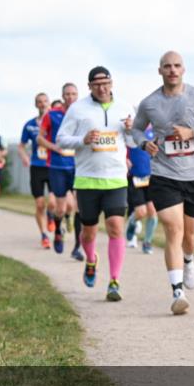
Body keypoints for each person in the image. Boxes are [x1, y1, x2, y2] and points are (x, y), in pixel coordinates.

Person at [133, 51, 194, 315]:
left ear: (183, 70)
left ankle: (189, 260)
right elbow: (137, 128)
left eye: (177, 66)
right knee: (173, 230)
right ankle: (177, 292)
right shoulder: (149, 103)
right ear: (159, 70)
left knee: (189, 234)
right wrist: (143, 142)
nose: (172, 70)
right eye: (167, 66)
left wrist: (193, 132)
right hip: (164, 174)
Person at [56, 66, 136, 301]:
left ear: (112, 83)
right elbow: (61, 139)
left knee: (115, 227)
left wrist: (131, 131)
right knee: (89, 233)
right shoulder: (77, 109)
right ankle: (91, 260)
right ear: (89, 86)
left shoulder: (125, 107)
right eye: (97, 84)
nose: (102, 88)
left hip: (116, 179)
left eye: (106, 83)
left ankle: (114, 281)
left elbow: (131, 142)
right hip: (88, 180)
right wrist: (82, 139)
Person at [39, 83, 84, 259]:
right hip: (57, 167)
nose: (71, 97)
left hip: (79, 166)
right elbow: (40, 139)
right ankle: (58, 229)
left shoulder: (83, 114)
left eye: (74, 94)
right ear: (62, 96)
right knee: (60, 207)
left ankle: (77, 247)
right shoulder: (52, 115)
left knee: (79, 206)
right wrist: (55, 147)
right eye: (67, 94)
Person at [19, 92, 57, 249]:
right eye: (39, 102)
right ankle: (44, 235)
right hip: (37, 167)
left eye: (45, 101)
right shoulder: (30, 125)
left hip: (53, 166)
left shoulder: (56, 121)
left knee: (53, 202)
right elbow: (21, 145)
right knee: (40, 204)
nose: (42, 104)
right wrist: (24, 157)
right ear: (36, 105)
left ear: (49, 103)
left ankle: (50, 216)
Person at [126, 124, 158, 254]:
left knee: (152, 211)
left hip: (151, 177)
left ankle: (147, 242)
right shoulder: (132, 133)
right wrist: (125, 159)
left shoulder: (154, 133)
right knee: (141, 212)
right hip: (135, 177)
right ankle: (131, 224)